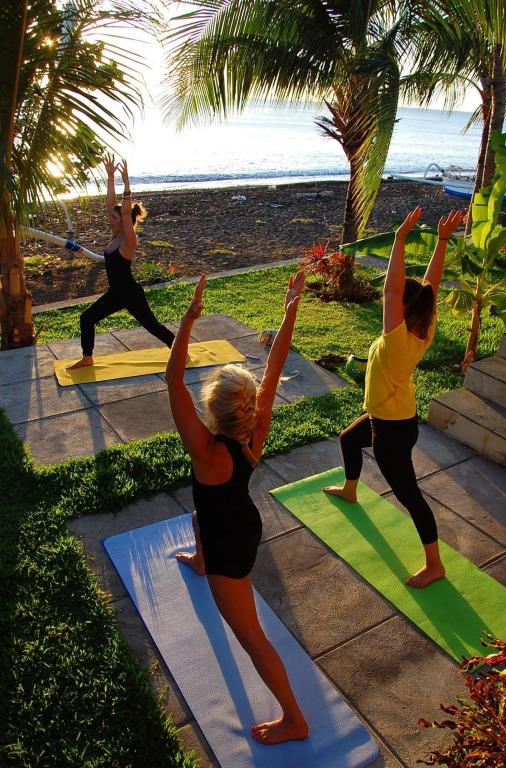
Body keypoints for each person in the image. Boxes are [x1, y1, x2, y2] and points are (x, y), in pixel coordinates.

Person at [165, 272, 309, 746]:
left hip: (231, 548)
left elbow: (172, 380)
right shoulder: (253, 432)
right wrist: (289, 310)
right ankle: (201, 558)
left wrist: (188, 320)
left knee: (251, 637)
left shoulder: (207, 452)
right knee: (197, 516)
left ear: (213, 409)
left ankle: (294, 719)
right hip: (241, 521)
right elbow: (275, 366)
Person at [324, 206, 464, 589]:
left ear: (404, 308)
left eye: (399, 298)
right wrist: (442, 240)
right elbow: (431, 284)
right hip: (395, 417)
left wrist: (400, 239)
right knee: (348, 439)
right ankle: (350, 489)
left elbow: (391, 289)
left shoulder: (397, 340)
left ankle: (434, 564)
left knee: (410, 496)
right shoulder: (423, 330)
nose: (393, 298)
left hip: (391, 432)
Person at [67, 155, 175, 369]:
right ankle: (87, 358)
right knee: (87, 318)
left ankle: (180, 350)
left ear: (125, 222)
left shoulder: (128, 240)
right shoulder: (116, 236)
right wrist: (110, 177)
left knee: (152, 326)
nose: (110, 219)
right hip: (116, 293)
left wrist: (126, 183)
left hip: (130, 293)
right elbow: (112, 206)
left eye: (114, 219)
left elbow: (124, 212)